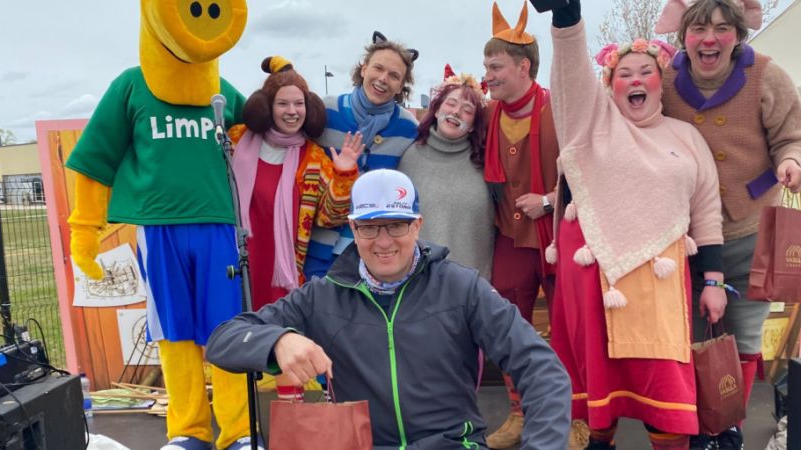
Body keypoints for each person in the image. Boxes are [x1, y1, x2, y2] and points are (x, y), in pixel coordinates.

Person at [206, 169, 572, 450]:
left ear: (417, 225)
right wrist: (277, 340)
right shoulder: (321, 296)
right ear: (352, 227)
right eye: (369, 227)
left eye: (396, 225)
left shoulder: (462, 287)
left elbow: (541, 369)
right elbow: (223, 340)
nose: (383, 242)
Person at [64, 2, 257, 449]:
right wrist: (84, 230)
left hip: (219, 227)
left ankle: (240, 431)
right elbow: (95, 160)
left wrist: (286, 83)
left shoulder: (221, 91)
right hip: (158, 229)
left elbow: (265, 124)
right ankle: (188, 430)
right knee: (174, 331)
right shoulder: (131, 87)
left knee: (227, 327)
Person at [541, 0, 726, 449]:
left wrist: (714, 281)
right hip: (595, 273)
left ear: (661, 81)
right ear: (610, 84)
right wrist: (568, 22)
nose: (635, 80)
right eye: (624, 74)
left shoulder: (687, 137)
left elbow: (705, 209)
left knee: (663, 388)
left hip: (662, 280)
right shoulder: (591, 123)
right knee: (597, 393)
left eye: (645, 71)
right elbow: (570, 82)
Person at [655, 1, 801, 448]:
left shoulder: (768, 76)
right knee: (689, 341)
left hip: (749, 236)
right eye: (700, 28)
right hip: (682, 242)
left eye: (722, 28)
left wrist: (792, 163)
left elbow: (796, 138)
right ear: (684, 35)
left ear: (739, 34)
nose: (710, 39)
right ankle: (692, 430)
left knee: (743, 338)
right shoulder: (663, 79)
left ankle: (729, 428)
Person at [230, 56, 363, 401]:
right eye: (283, 103)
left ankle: (288, 416)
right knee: (236, 333)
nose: (292, 111)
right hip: (236, 260)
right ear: (268, 107)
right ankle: (240, 418)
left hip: (283, 270)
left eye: (299, 103)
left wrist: (345, 172)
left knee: (282, 339)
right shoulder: (235, 140)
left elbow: (330, 216)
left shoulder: (314, 158)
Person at [481, 2, 561, 447]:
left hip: (556, 238)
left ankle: (574, 415)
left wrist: (550, 200)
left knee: (568, 326)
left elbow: (588, 169)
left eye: (495, 66)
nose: (488, 75)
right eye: (486, 67)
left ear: (523, 65)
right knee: (509, 327)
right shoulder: (488, 115)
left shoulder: (558, 109)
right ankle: (518, 414)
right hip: (509, 239)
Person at [304, 31, 420, 280]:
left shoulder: (407, 128)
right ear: (364, 67)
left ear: (401, 85)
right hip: (320, 248)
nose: (383, 79)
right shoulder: (326, 112)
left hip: (375, 254)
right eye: (378, 68)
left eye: (394, 76)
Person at [398, 65, 494, 279]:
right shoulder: (409, 158)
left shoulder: (486, 163)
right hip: (418, 285)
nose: (456, 112)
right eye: (451, 103)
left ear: (472, 125)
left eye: (467, 110)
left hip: (472, 287)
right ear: (437, 109)